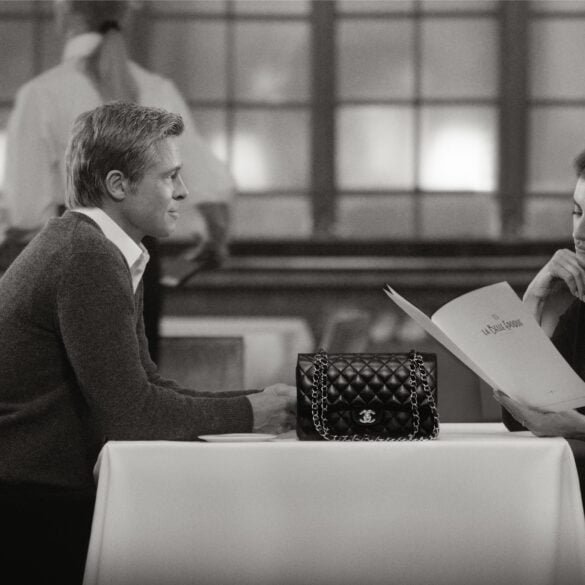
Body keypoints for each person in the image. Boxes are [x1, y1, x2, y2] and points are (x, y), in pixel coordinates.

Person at [0, 101, 296, 585]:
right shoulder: (87, 256)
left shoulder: (96, 245)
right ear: (118, 185)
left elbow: (149, 388)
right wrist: (250, 412)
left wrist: (264, 402)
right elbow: (133, 416)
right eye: (169, 177)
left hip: (41, 492)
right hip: (32, 508)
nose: (183, 192)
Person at [0, 0, 233, 363]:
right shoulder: (158, 89)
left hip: (69, 257)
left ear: (65, 14)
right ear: (125, 15)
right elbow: (203, 183)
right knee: (137, 376)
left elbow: (26, 210)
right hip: (141, 258)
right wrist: (214, 235)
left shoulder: (42, 94)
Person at [496, 148, 585, 439]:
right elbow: (520, 416)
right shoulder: (581, 308)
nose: (579, 232)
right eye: (577, 213)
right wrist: (533, 299)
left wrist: (578, 427)